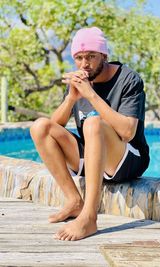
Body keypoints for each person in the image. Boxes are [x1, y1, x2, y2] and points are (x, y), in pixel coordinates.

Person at [30, 27, 150, 241]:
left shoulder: (129, 79)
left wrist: (91, 95)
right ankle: (74, 201)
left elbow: (127, 132)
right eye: (79, 58)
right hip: (92, 157)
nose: (84, 64)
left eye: (91, 57)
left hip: (126, 159)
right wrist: (71, 99)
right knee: (40, 126)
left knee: (93, 123)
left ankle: (89, 216)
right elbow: (52, 128)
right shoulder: (81, 81)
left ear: (104, 55)